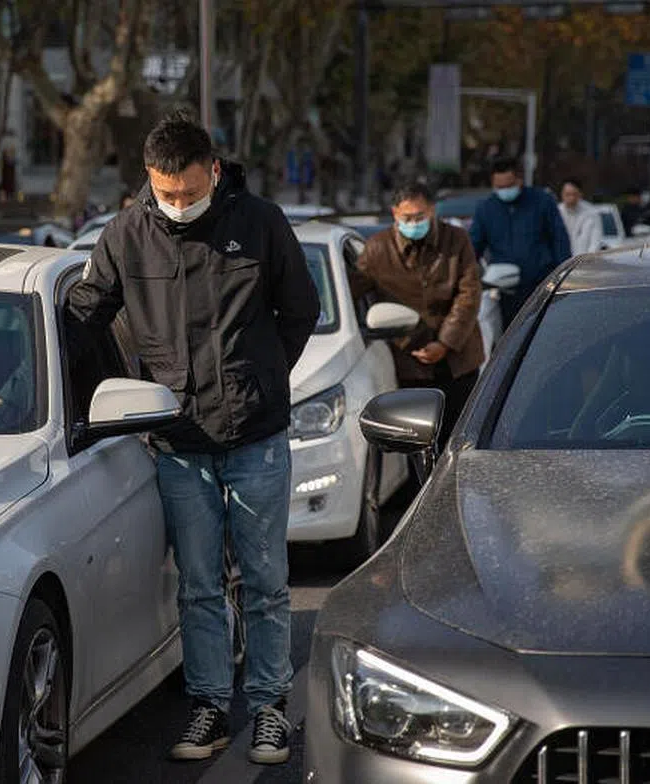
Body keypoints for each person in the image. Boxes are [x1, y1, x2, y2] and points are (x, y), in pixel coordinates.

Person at [66, 111, 319, 766]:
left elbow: (301, 311)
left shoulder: (260, 222)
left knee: (264, 580)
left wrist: (261, 380)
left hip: (257, 435)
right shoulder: (126, 234)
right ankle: (209, 704)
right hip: (177, 440)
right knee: (199, 582)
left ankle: (268, 707)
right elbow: (87, 313)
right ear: (148, 181)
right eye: (163, 193)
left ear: (212, 169)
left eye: (185, 191)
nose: (176, 205)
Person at [351, 181, 483, 448]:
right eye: (407, 218)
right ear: (394, 214)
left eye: (420, 217)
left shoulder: (456, 240)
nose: (414, 223)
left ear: (432, 210)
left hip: (458, 359)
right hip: (409, 361)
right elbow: (350, 289)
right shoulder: (377, 249)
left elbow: (469, 294)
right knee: (415, 445)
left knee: (460, 441)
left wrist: (445, 343)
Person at [471, 157, 571, 328]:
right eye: (499, 187)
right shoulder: (486, 209)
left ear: (519, 180)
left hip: (540, 285)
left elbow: (559, 240)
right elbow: (474, 246)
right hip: (504, 290)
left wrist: (564, 278)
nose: (504, 191)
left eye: (508, 186)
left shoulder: (542, 201)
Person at [558, 178, 604, 256]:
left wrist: (588, 260)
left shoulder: (591, 213)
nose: (571, 198)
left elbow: (595, 241)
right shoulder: (556, 213)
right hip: (561, 263)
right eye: (568, 194)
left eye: (574, 194)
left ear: (580, 194)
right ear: (562, 194)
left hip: (584, 263)